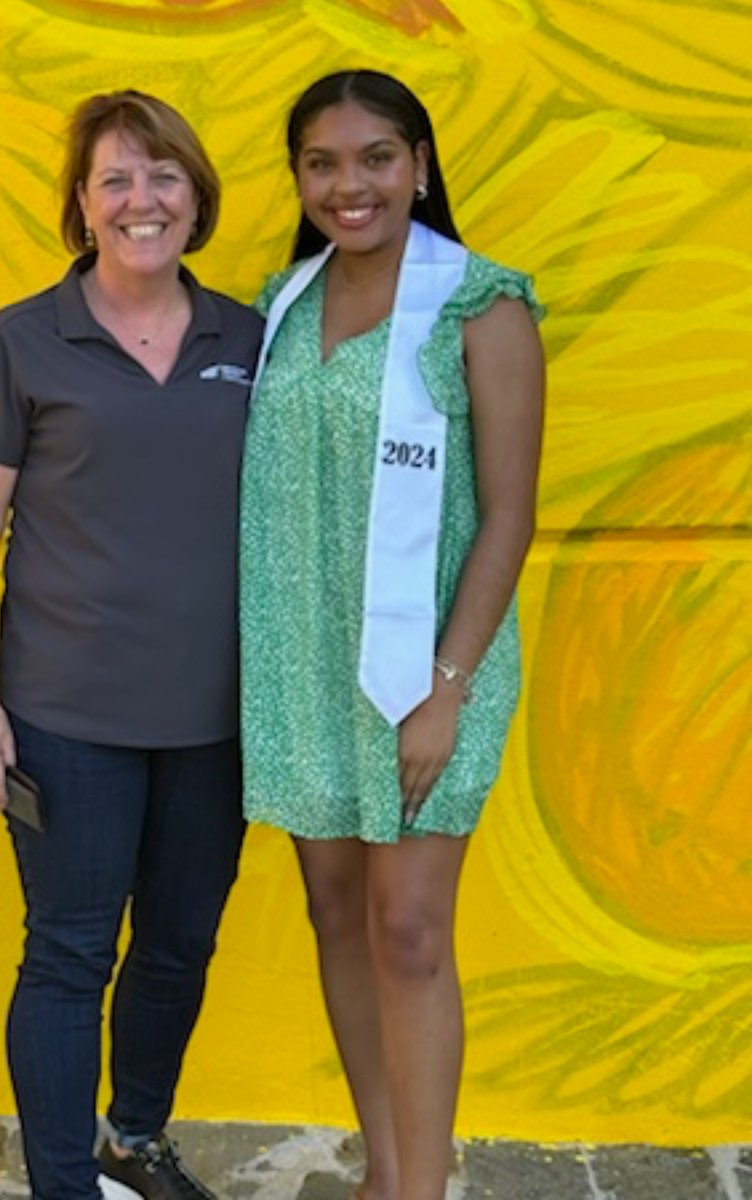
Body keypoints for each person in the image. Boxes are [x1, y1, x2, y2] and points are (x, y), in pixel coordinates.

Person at [0, 90, 263, 1200]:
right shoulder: (24, 340)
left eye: (163, 175)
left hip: (215, 720)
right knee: (70, 955)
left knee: (177, 947)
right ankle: (65, 1185)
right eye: (116, 178)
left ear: (196, 196)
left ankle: (137, 1139)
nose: (142, 199)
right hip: (66, 720)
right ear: (82, 204)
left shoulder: (248, 339)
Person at [239, 70, 545, 1200]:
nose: (348, 184)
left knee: (409, 927)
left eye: (375, 157)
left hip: (428, 669)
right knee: (336, 913)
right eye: (322, 162)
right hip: (303, 658)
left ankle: (423, 1187)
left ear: (420, 163)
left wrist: (449, 686)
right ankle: (384, 1167)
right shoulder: (283, 304)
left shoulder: (483, 305)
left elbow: (508, 512)